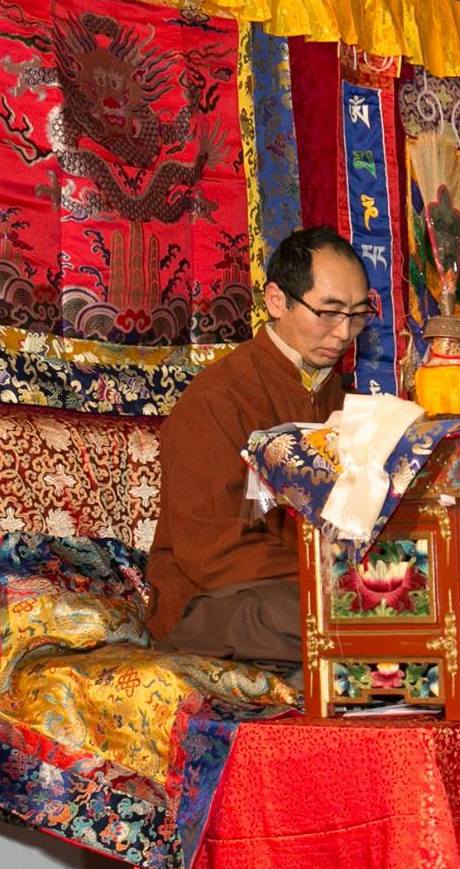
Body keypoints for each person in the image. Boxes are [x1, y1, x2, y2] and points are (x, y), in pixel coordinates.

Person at [147, 227, 369, 664]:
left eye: (358, 315)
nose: (344, 333)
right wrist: (334, 580)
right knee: (333, 620)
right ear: (276, 301)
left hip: (311, 585)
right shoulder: (217, 398)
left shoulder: (345, 400)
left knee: (400, 612)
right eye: (328, 312)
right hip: (215, 597)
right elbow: (211, 548)